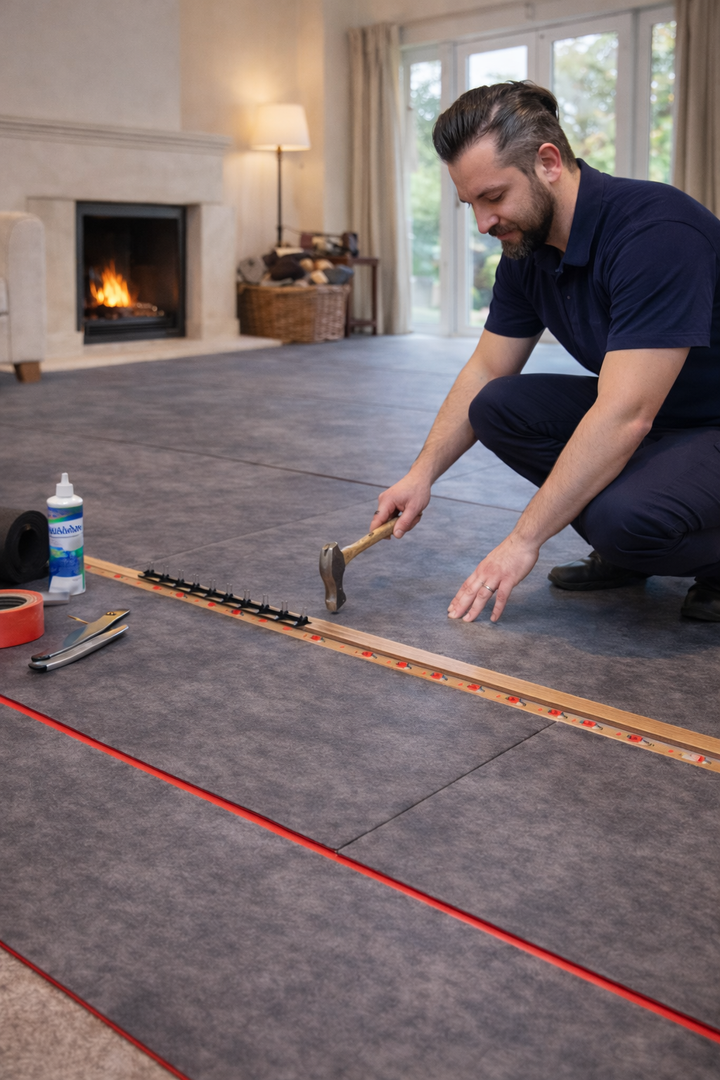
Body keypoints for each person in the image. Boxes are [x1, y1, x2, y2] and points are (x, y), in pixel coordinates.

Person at [373, 81, 720, 624]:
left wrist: (523, 540)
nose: (483, 223)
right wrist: (421, 474)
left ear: (549, 162)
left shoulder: (655, 232)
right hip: (666, 415)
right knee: (496, 405)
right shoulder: (526, 252)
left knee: (624, 520)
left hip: (703, 419)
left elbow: (626, 414)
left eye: (494, 197)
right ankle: (630, 551)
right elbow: (487, 369)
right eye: (471, 204)